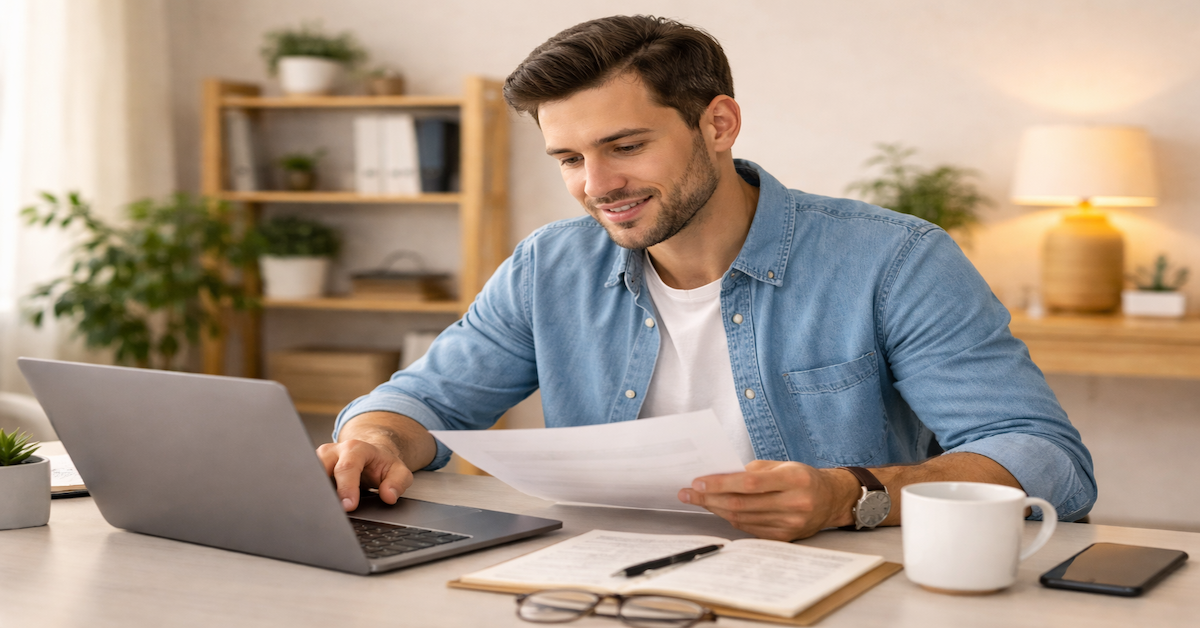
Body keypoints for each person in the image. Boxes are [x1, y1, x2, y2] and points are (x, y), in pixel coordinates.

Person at [318, 15, 1096, 541]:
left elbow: (1044, 460)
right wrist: (377, 441)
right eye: (568, 159)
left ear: (718, 125)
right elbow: (422, 400)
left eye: (625, 146)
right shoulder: (549, 267)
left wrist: (852, 494)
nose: (596, 184)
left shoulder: (894, 261)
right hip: (599, 587)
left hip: (836, 594)